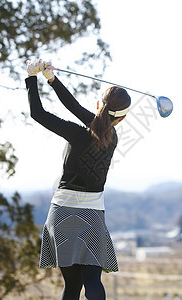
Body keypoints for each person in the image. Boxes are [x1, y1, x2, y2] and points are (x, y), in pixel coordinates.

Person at [25, 58, 131, 300]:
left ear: (98, 105)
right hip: (92, 214)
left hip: (61, 213)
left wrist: (35, 78)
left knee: (71, 286)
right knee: (92, 280)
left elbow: (39, 113)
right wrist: (52, 79)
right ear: (121, 118)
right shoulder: (112, 138)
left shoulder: (77, 133)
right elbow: (76, 108)